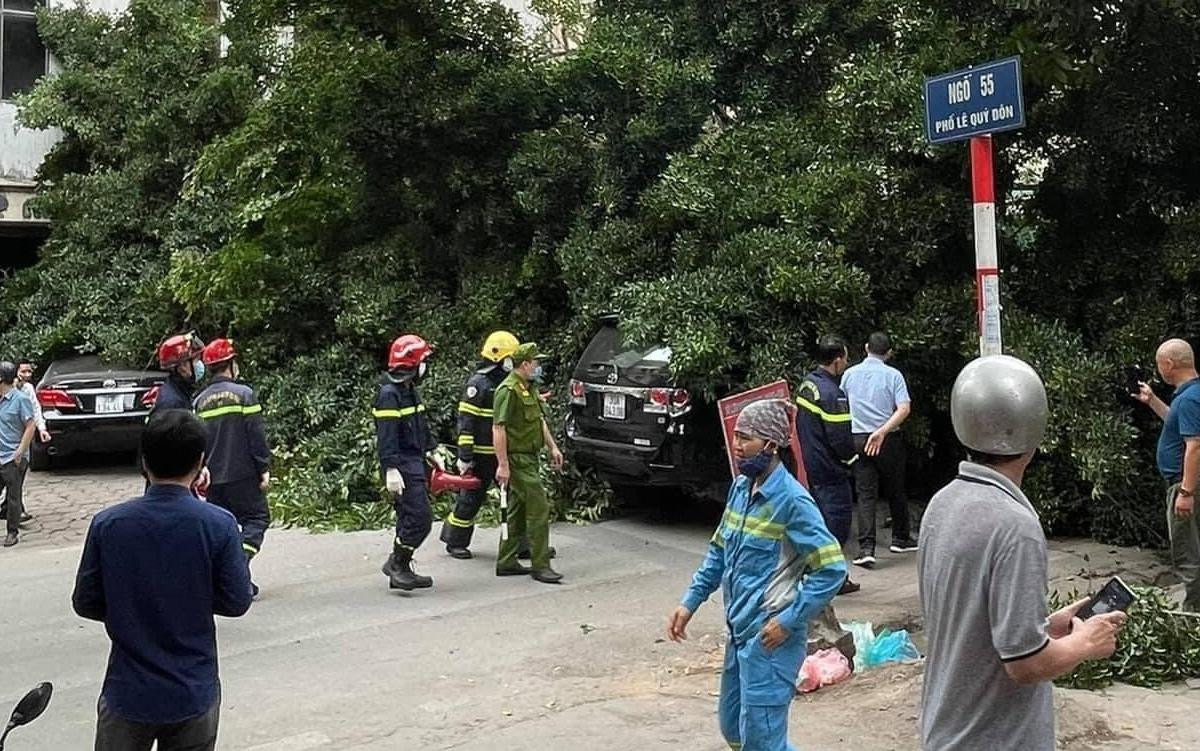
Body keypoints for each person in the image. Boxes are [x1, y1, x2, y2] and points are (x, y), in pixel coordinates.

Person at [919, 355, 1126, 750]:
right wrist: (1087, 643)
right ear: (1032, 431)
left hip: (946, 731)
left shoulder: (943, 502)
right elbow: (1025, 665)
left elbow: (972, 625)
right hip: (995, 739)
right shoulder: (1015, 526)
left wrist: (1043, 629)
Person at [667, 398, 846, 751]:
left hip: (770, 640)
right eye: (735, 438)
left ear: (771, 445)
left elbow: (832, 568)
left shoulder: (793, 501)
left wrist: (789, 620)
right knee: (733, 728)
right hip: (739, 634)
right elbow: (719, 552)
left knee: (762, 742)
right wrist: (690, 602)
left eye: (745, 439)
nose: (736, 447)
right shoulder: (740, 490)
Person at [72, 409, 252, 751]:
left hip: (128, 692)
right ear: (200, 462)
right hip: (192, 692)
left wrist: (128, 607)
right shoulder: (219, 524)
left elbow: (86, 602)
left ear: (144, 461)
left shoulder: (108, 524)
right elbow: (237, 601)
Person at [193, 339, 271, 598]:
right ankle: (238, 568)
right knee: (257, 519)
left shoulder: (199, 401)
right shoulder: (244, 394)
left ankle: (235, 579)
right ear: (230, 364)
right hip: (243, 475)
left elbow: (195, 440)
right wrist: (264, 468)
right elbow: (255, 435)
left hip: (211, 478)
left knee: (222, 529)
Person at [439, 330, 519, 559]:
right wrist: (464, 457)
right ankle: (455, 541)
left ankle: (520, 544)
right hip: (480, 456)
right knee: (470, 499)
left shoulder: (509, 383)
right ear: (500, 358)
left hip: (502, 453)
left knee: (516, 499)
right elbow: (466, 423)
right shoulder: (478, 384)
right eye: (511, 358)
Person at [840, 331, 916, 567]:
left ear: (866, 348)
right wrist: (882, 431)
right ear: (889, 353)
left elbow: (842, 403)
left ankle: (866, 549)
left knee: (865, 493)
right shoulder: (893, 375)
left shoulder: (849, 375)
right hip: (887, 438)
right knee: (896, 488)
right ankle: (900, 538)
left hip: (859, 437)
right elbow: (904, 409)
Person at [1136, 338, 1200, 611]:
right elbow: (1177, 424)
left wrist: (1185, 492)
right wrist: (1152, 401)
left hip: (1184, 485)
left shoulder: (1188, 399)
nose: (1159, 369)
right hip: (1185, 484)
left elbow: (1195, 445)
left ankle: (1193, 617)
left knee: (1188, 553)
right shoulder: (1191, 395)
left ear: (1169, 364)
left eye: (1159, 363)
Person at [493, 342, 564, 583]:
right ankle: (540, 565)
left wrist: (552, 446)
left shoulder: (529, 387)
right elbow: (498, 428)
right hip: (517, 459)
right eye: (536, 362)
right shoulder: (508, 390)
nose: (539, 367)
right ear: (525, 364)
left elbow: (538, 421)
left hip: (530, 457)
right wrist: (503, 465)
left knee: (517, 510)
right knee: (538, 508)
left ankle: (506, 561)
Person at [796, 334, 860, 594]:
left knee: (819, 523)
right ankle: (831, 578)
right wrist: (851, 461)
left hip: (814, 467)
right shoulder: (833, 395)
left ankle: (819, 574)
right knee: (836, 527)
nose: (845, 363)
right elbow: (840, 438)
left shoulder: (807, 385)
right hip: (832, 472)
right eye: (844, 358)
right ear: (836, 361)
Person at [374, 334, 438, 591]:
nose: (426, 366)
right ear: (411, 362)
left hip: (415, 460)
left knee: (408, 516)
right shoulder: (389, 394)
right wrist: (390, 468)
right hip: (401, 464)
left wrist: (432, 449)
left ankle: (400, 566)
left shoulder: (409, 390)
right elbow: (386, 435)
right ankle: (397, 563)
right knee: (421, 518)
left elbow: (420, 425)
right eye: (423, 360)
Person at [0, 359, 45, 525]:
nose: (26, 375)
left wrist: (20, 451)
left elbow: (32, 418)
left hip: (14, 455)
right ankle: (9, 511)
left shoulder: (23, 395)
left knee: (14, 492)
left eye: (29, 372)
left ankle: (13, 526)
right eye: (23, 371)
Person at [0, 362, 34, 548]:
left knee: (14, 497)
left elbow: (30, 425)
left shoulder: (20, 399)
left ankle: (12, 532)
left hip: (13, 458)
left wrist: (20, 451)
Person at [151, 333, 206, 415]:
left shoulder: (181, 392)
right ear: (182, 367)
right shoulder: (173, 404)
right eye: (196, 360)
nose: (200, 364)